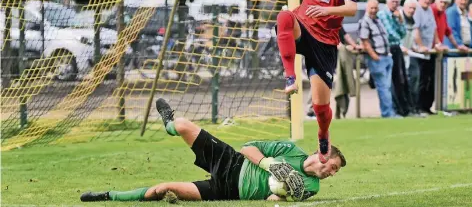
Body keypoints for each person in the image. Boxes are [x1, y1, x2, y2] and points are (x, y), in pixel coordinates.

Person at [80, 99, 347, 203]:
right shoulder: (288, 149)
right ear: (322, 154)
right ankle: (168, 123)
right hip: (232, 164)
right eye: (333, 167)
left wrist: (280, 197)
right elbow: (247, 148)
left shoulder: (313, 187)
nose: (331, 174)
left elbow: (277, 200)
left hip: (228, 192)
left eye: (334, 172)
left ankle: (106, 196)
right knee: (183, 124)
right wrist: (268, 164)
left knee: (164, 189)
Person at [275, 0, 359, 162]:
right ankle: (290, 77)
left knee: (321, 107)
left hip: (324, 43)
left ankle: (323, 133)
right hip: (303, 26)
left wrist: (325, 10)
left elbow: (351, 9)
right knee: (283, 16)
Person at [377, 0, 416, 117]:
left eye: (397, 2)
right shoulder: (382, 15)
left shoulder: (397, 15)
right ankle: (396, 109)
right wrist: (399, 32)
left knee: (401, 80)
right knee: (392, 81)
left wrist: (399, 20)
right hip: (388, 50)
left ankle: (405, 109)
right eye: (393, 1)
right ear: (387, 2)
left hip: (396, 49)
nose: (395, 4)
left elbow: (403, 33)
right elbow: (391, 34)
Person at [359, 0, 396, 118]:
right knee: (383, 87)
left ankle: (389, 112)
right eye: (371, 8)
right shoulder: (364, 22)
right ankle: (388, 114)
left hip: (386, 56)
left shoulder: (378, 20)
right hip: (377, 59)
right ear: (367, 8)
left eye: (375, 8)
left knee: (388, 87)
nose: (374, 10)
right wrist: (374, 56)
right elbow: (365, 41)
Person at [413, 0, 448, 115]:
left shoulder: (429, 11)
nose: (427, 1)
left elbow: (434, 29)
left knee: (429, 80)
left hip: (429, 51)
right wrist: (421, 46)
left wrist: (438, 43)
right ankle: (417, 107)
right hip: (418, 52)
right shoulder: (417, 10)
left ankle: (426, 106)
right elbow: (415, 30)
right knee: (420, 80)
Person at [401, 0, 421, 107]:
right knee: (403, 81)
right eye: (410, 8)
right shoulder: (399, 17)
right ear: (404, 7)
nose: (412, 10)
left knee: (414, 77)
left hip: (409, 54)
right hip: (399, 53)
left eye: (414, 8)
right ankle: (405, 107)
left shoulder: (412, 19)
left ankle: (413, 106)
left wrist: (414, 46)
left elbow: (410, 36)